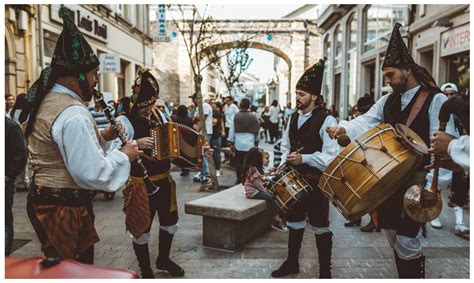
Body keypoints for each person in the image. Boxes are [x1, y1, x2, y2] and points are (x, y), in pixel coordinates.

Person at [326, 23, 456, 278]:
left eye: (390, 74)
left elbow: (442, 145)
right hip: (388, 183)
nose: (386, 80)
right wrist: (343, 128)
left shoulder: (435, 99)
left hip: (417, 183)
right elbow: (366, 121)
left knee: (408, 241)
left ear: (407, 71)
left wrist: (433, 185)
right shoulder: (388, 100)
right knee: (392, 236)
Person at [24, 6, 138, 264]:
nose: (97, 80)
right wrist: (124, 155)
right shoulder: (72, 112)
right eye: (94, 74)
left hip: (49, 202)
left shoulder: (52, 101)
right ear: (78, 76)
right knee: (72, 270)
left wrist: (105, 135)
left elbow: (64, 148)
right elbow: (89, 171)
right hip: (61, 209)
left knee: (66, 267)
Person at [271, 59, 339, 279]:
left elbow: (332, 157)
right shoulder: (292, 116)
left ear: (314, 96)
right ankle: (292, 264)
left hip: (317, 184)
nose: (297, 98)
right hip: (293, 181)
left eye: (301, 94)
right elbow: (284, 144)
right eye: (296, 93)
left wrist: (305, 158)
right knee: (294, 223)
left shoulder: (327, 119)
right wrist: (279, 168)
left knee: (320, 227)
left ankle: (325, 273)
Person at [116, 69, 184, 278]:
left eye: (151, 105)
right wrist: (136, 143)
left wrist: (193, 154)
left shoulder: (158, 114)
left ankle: (163, 258)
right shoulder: (124, 120)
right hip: (140, 184)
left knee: (170, 223)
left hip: (164, 182)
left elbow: (170, 143)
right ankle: (145, 268)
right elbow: (112, 152)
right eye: (146, 106)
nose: (149, 110)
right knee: (141, 227)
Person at [340, 94, 379, 232]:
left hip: (370, 159)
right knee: (358, 191)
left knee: (369, 192)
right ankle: (357, 218)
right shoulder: (361, 120)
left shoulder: (371, 122)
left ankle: (375, 222)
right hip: (359, 157)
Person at [242, 147, 287, 232]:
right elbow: (257, 184)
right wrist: (265, 190)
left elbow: (260, 177)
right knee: (270, 197)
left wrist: (269, 178)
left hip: (255, 190)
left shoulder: (253, 167)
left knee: (271, 195)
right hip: (252, 192)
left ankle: (278, 218)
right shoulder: (252, 169)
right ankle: (277, 221)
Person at [5, 116, 28, 256]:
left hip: (4, 183)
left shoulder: (9, 126)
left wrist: (7, 176)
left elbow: (20, 154)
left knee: (5, 219)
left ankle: (4, 257)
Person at [228, 98, 260, 184]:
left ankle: (239, 178)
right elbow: (257, 131)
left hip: (239, 142)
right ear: (249, 106)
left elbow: (232, 130)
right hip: (250, 142)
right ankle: (248, 179)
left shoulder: (236, 116)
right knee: (249, 162)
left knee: (239, 162)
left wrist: (231, 142)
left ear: (240, 105)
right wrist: (256, 142)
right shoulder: (253, 116)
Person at [191, 94, 213, 183]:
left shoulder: (205, 106)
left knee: (203, 152)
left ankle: (206, 174)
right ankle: (203, 171)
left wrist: (197, 130)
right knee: (201, 152)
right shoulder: (199, 107)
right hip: (201, 132)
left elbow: (202, 119)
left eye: (194, 99)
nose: (193, 102)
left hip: (205, 132)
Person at [171, 105, 194, 177]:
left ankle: (183, 168)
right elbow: (191, 129)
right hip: (188, 138)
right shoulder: (189, 119)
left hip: (179, 138)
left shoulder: (175, 119)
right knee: (187, 153)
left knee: (181, 153)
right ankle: (187, 167)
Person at [211, 101, 225, 177]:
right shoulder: (214, 112)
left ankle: (218, 169)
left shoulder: (216, 113)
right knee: (215, 153)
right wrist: (223, 131)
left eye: (213, 104)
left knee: (216, 153)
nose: (212, 105)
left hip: (215, 135)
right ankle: (217, 168)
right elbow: (222, 122)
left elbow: (214, 122)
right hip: (215, 135)